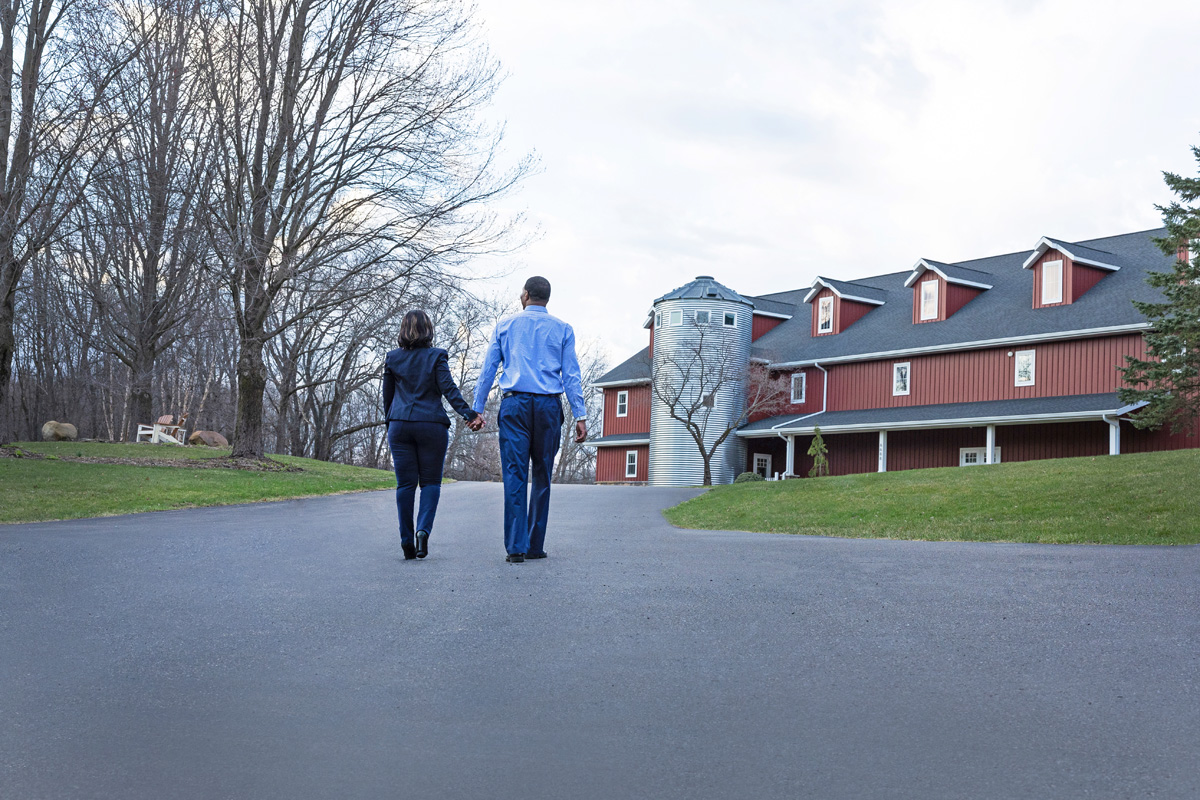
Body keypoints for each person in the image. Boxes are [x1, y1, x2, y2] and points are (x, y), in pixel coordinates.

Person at [473, 276, 587, 563]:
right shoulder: (563, 329)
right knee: (542, 475)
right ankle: (535, 545)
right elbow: (571, 375)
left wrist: (477, 408)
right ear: (547, 298)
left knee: (515, 474)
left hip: (515, 405)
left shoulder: (506, 326)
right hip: (548, 406)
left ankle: (516, 547)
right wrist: (580, 414)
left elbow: (488, 370)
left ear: (525, 295)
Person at [383, 310, 483, 560]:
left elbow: (387, 398)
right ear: (429, 330)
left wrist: (392, 424)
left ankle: (406, 540)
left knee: (405, 484)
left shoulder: (392, 358)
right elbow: (448, 388)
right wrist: (468, 414)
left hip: (400, 425)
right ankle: (422, 532)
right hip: (431, 425)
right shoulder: (436, 356)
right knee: (430, 483)